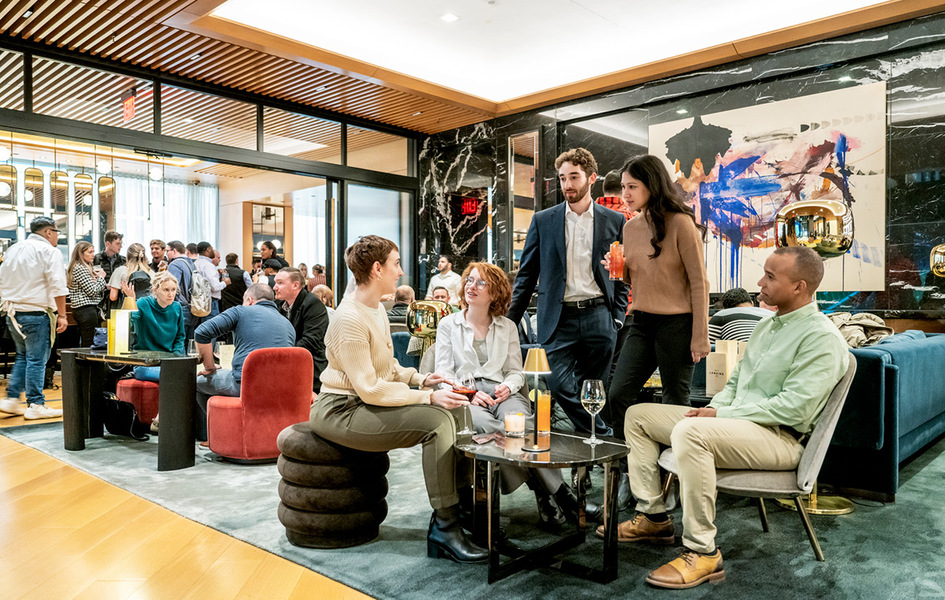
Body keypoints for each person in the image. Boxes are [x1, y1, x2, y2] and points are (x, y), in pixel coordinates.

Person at [607, 246, 849, 589]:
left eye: (770, 276)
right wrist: (716, 409)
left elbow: (793, 409)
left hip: (780, 438)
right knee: (639, 415)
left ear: (799, 287)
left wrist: (720, 414)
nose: (759, 282)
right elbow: (735, 384)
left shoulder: (822, 338)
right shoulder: (768, 327)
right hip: (737, 425)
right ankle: (654, 516)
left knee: (693, 433)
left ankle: (703, 552)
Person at [311, 235, 487, 564]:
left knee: (459, 410)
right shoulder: (349, 318)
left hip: (363, 401)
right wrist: (427, 396)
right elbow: (369, 388)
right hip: (341, 410)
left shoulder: (375, 308)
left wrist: (422, 378)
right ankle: (445, 526)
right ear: (377, 269)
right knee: (437, 422)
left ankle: (468, 510)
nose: (401, 272)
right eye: (396, 264)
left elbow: (388, 368)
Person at [435, 262, 581, 528]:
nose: (471, 286)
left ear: (495, 292)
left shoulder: (507, 327)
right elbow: (443, 374)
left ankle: (546, 492)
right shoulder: (449, 325)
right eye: (469, 280)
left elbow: (516, 371)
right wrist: (468, 395)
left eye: (480, 282)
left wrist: (509, 387)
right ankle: (552, 492)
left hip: (501, 390)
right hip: (466, 393)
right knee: (487, 427)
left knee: (522, 423)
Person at [508, 147, 629, 435]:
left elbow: (620, 272)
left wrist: (618, 315)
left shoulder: (614, 221)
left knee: (594, 392)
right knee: (559, 385)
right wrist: (509, 321)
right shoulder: (543, 220)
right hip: (557, 319)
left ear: (591, 178)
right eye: (562, 178)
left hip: (600, 315)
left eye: (574, 177)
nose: (567, 185)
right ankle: (603, 435)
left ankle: (585, 465)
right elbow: (526, 275)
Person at [607, 154, 710, 425]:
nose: (625, 194)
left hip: (677, 324)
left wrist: (700, 335)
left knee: (675, 401)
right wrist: (620, 270)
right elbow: (636, 280)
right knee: (617, 396)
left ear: (651, 186)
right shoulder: (630, 228)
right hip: (640, 321)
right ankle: (630, 465)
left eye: (632, 187)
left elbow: (699, 281)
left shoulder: (680, 223)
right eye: (623, 186)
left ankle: (673, 465)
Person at [193, 283, 295, 442]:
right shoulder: (288, 324)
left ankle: (216, 436)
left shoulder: (241, 311)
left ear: (249, 300)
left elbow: (201, 332)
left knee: (197, 382)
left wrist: (209, 367)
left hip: (245, 386)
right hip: (280, 389)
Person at [0, 217, 69, 420]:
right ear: (48, 232)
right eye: (57, 232)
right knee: (37, 360)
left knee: (24, 356)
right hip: (35, 313)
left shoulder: (14, 249)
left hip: (12, 312)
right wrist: (62, 315)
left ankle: (12, 399)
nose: (57, 237)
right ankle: (36, 404)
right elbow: (58, 285)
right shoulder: (49, 251)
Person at [273, 267, 329, 392]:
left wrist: (280, 353)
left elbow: (310, 341)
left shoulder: (313, 304)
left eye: (280, 283)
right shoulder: (278, 305)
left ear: (295, 285)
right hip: (286, 363)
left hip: (310, 368)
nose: (275, 287)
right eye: (276, 283)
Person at [129, 271, 186, 384]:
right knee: (172, 375)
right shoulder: (143, 303)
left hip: (168, 362)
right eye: (166, 290)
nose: (171, 294)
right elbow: (129, 325)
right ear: (155, 290)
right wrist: (131, 302)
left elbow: (180, 337)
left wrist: (175, 358)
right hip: (145, 363)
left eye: (173, 290)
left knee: (184, 374)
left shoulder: (177, 307)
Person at [66, 241, 107, 347]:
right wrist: (101, 278)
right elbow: (92, 291)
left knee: (89, 341)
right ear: (81, 253)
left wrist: (99, 282)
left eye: (93, 252)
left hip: (84, 309)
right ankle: (89, 364)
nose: (93, 254)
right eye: (90, 252)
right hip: (86, 309)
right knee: (90, 342)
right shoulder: (80, 268)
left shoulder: (81, 267)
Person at [707, 288, 775, 343]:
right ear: (752, 303)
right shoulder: (771, 314)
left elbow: (707, 345)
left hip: (741, 356)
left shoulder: (722, 315)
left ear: (726, 308)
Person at [165, 240, 197, 341]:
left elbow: (172, 287)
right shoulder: (192, 264)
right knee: (190, 343)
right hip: (193, 307)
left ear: (174, 251)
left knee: (178, 341)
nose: (166, 254)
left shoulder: (175, 265)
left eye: (167, 251)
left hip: (180, 307)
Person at [95, 230, 125, 312]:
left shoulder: (123, 260)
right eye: (117, 244)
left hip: (118, 298)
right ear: (108, 244)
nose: (121, 246)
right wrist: (105, 286)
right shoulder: (96, 259)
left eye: (121, 243)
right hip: (100, 299)